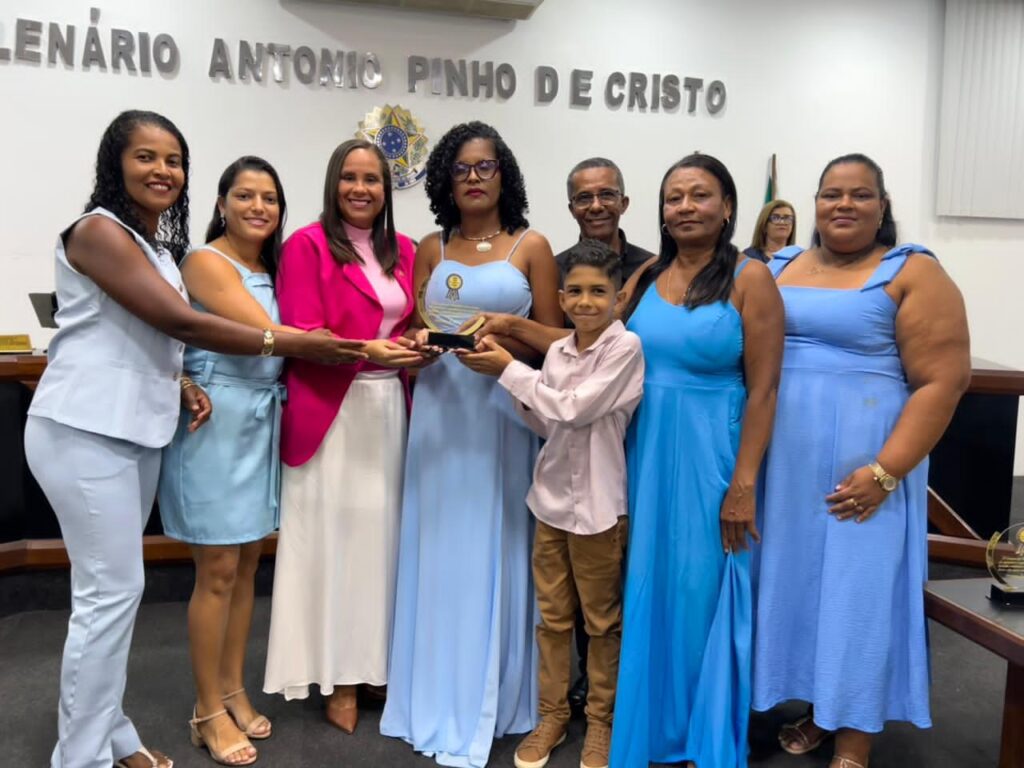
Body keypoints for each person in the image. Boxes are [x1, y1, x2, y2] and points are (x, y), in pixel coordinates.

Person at [23, 110, 365, 768]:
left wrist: (182, 382)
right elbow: (181, 321)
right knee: (108, 595)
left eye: (173, 160)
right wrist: (295, 343)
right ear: (115, 163)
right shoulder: (98, 231)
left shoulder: (155, 247)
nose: (162, 170)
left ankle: (111, 732)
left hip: (135, 430)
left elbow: (150, 337)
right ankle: (81, 756)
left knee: (117, 595)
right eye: (146, 157)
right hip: (83, 429)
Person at [464, 152, 784, 768]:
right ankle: (644, 722)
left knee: (697, 590)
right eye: (675, 197)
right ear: (660, 210)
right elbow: (583, 341)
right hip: (638, 452)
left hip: (708, 455)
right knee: (641, 591)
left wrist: (744, 482)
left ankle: (697, 728)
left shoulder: (750, 278)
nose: (685, 207)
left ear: (727, 206)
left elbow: (766, 387)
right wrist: (512, 329)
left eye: (700, 195)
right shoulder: (646, 277)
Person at [751, 154, 970, 768]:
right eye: (831, 194)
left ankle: (854, 739)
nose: (843, 205)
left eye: (860, 195)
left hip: (866, 469)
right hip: (781, 468)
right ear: (815, 204)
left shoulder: (913, 271)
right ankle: (822, 707)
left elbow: (943, 381)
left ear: (882, 206)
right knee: (794, 585)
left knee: (857, 592)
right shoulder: (779, 265)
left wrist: (885, 472)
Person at [380, 121, 562, 768]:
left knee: (499, 540)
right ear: (445, 180)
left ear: (504, 174)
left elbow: (557, 342)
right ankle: (433, 688)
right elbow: (419, 325)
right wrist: (417, 346)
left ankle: (500, 696)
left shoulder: (532, 246)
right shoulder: (431, 246)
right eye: (461, 168)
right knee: (439, 544)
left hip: (503, 409)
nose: (475, 177)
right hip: (441, 408)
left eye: (486, 166)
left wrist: (507, 339)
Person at [460, 239, 643, 768]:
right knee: (553, 620)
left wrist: (508, 371)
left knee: (602, 623)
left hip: (599, 510)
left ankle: (602, 722)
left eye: (599, 292)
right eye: (576, 292)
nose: (586, 302)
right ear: (561, 299)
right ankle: (553, 715)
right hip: (550, 503)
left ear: (618, 299)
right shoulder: (559, 352)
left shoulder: (625, 347)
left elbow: (575, 409)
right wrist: (511, 384)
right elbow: (548, 421)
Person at [263, 140, 423, 733]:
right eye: (350, 178)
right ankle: (338, 677)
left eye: (372, 179)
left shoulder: (405, 249)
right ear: (333, 183)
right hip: (332, 408)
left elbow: (411, 321)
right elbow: (304, 333)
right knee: (334, 543)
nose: (360, 189)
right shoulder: (305, 245)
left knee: (383, 544)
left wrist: (417, 342)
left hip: (390, 409)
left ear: (387, 189)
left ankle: (377, 665)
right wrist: (368, 351)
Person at [157, 156, 291, 765]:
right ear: (221, 203)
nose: (258, 207)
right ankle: (206, 710)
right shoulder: (205, 262)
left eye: (270, 198)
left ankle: (233, 687)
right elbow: (264, 333)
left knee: (246, 564)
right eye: (245, 195)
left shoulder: (273, 267)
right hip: (213, 420)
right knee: (215, 569)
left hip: (259, 422)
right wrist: (344, 345)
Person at [557, 158, 655, 283]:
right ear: (572, 210)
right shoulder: (554, 271)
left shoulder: (651, 269)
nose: (596, 206)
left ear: (623, 204)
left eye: (606, 195)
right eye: (584, 198)